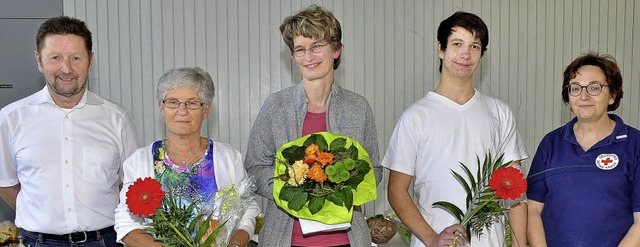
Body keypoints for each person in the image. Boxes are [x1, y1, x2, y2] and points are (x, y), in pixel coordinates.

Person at [381, 11, 528, 247]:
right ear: (441, 49)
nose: (465, 54)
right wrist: (431, 238)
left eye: (475, 46)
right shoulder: (415, 117)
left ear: (482, 55)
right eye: (457, 44)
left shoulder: (500, 113)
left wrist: (519, 245)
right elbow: (396, 191)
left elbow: (515, 192)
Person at [243, 5, 381, 247]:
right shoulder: (275, 107)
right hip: (286, 241)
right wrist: (296, 183)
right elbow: (254, 168)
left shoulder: (358, 107)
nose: (308, 57)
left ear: (337, 50)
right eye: (300, 49)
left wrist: (340, 181)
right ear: (293, 57)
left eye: (317, 46)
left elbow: (375, 170)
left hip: (347, 241)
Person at [0, 16, 139, 246]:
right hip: (39, 242)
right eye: (55, 58)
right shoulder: (11, 119)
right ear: (39, 60)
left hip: (105, 240)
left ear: (90, 61)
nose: (66, 69)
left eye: (76, 58)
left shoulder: (118, 119)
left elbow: (132, 185)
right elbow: (5, 183)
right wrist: (40, 214)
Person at [114, 67, 260, 247]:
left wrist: (235, 244)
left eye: (191, 103)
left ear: (205, 110)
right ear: (161, 108)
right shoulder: (139, 161)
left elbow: (249, 210)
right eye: (173, 102)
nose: (182, 110)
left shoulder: (228, 157)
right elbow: (126, 222)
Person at [527, 53, 640, 246]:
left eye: (595, 87)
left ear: (612, 95)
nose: (584, 96)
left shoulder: (634, 144)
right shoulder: (551, 143)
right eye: (576, 88)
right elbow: (533, 210)